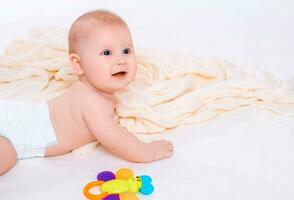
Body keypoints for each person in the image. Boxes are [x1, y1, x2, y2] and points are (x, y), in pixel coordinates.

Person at [0, 9, 174, 176]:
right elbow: (117, 141)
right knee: (7, 155)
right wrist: (149, 151)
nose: (121, 60)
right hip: (18, 131)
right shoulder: (93, 103)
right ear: (78, 64)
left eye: (126, 50)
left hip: (14, 114)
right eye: (107, 53)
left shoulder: (87, 91)